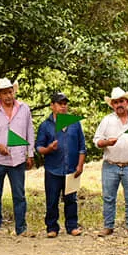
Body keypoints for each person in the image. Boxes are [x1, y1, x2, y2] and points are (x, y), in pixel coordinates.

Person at [93, 87, 128, 236]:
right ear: (112, 104)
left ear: (127, 102)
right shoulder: (107, 120)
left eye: (121, 101)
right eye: (116, 102)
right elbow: (96, 141)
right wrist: (106, 142)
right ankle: (108, 226)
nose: (119, 104)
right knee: (108, 197)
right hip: (110, 165)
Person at [0, 78, 35, 236]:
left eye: (10, 92)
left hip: (17, 159)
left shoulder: (24, 109)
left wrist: (30, 154)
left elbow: (29, 132)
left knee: (19, 194)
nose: (8, 96)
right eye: (4, 93)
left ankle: (21, 229)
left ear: (14, 92)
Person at [35, 92, 86, 237]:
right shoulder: (45, 126)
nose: (63, 107)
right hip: (53, 169)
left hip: (71, 168)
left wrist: (80, 165)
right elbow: (38, 147)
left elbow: (82, 146)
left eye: (65, 104)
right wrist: (49, 148)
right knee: (52, 200)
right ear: (52, 106)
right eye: (59, 104)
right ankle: (52, 228)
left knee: (71, 199)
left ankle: (72, 226)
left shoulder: (75, 123)